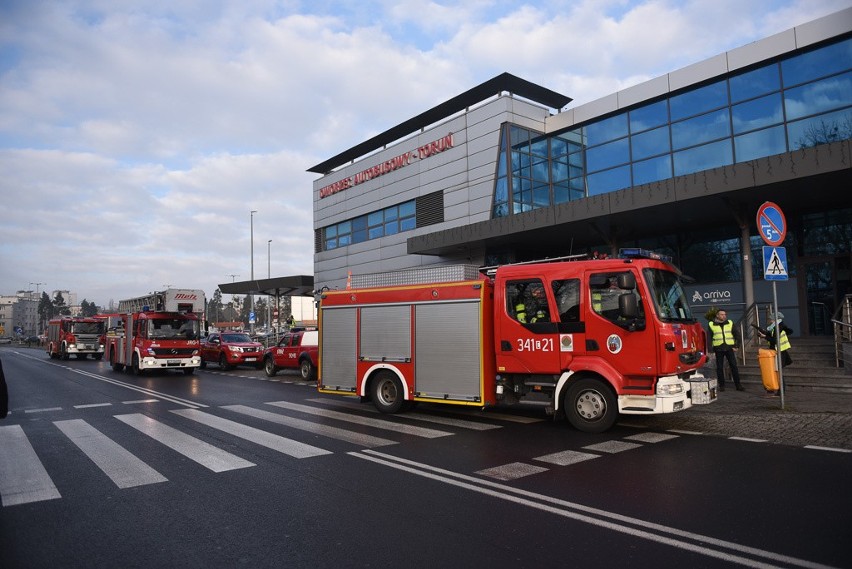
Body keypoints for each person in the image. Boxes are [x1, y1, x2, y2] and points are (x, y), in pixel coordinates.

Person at [708, 309, 744, 391]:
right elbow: (709, 338)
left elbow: (737, 335)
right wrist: (710, 350)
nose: (724, 316)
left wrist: (737, 346)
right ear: (717, 315)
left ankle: (738, 385)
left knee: (734, 366)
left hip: (729, 348)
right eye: (722, 314)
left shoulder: (730, 323)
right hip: (718, 348)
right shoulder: (711, 324)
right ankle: (722, 386)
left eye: (725, 314)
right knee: (719, 368)